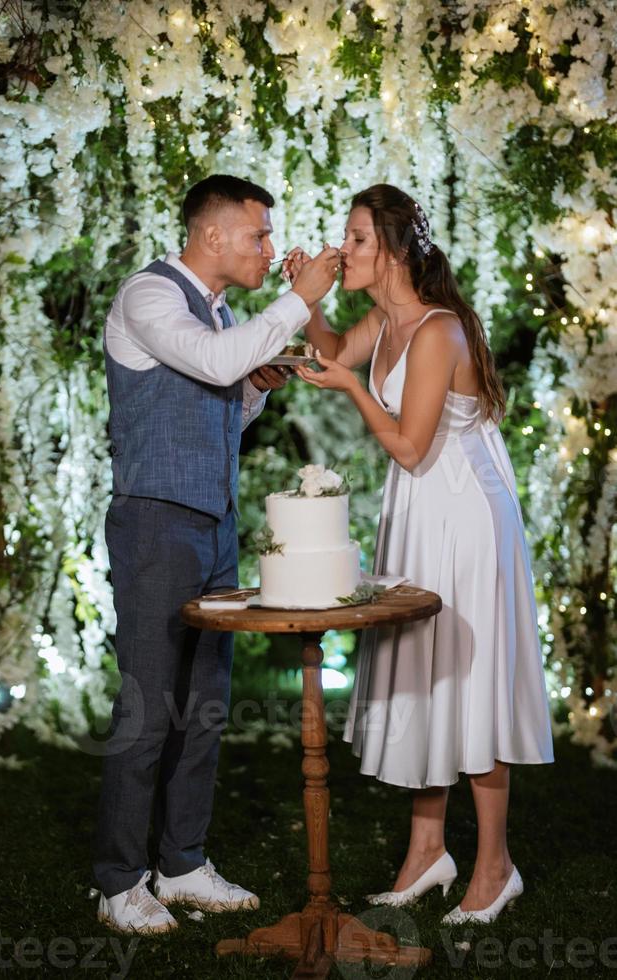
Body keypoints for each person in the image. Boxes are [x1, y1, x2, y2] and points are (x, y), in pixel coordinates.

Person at [291, 183, 554, 925]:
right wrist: (305, 302)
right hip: (419, 515)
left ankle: (495, 866)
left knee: (472, 681)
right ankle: (425, 852)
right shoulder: (383, 319)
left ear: (397, 250)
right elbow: (336, 350)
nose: (343, 250)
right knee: (427, 673)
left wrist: (348, 388)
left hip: (465, 519)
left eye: (357, 239)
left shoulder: (438, 332)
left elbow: (407, 446)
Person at [94, 174, 341, 933]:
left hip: (212, 524)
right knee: (148, 708)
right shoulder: (150, 295)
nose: (268, 248)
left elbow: (217, 406)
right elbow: (209, 362)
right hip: (155, 523)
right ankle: (117, 882)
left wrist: (257, 386)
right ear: (212, 235)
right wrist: (302, 298)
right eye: (259, 234)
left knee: (203, 706)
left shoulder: (218, 313)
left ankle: (182, 863)